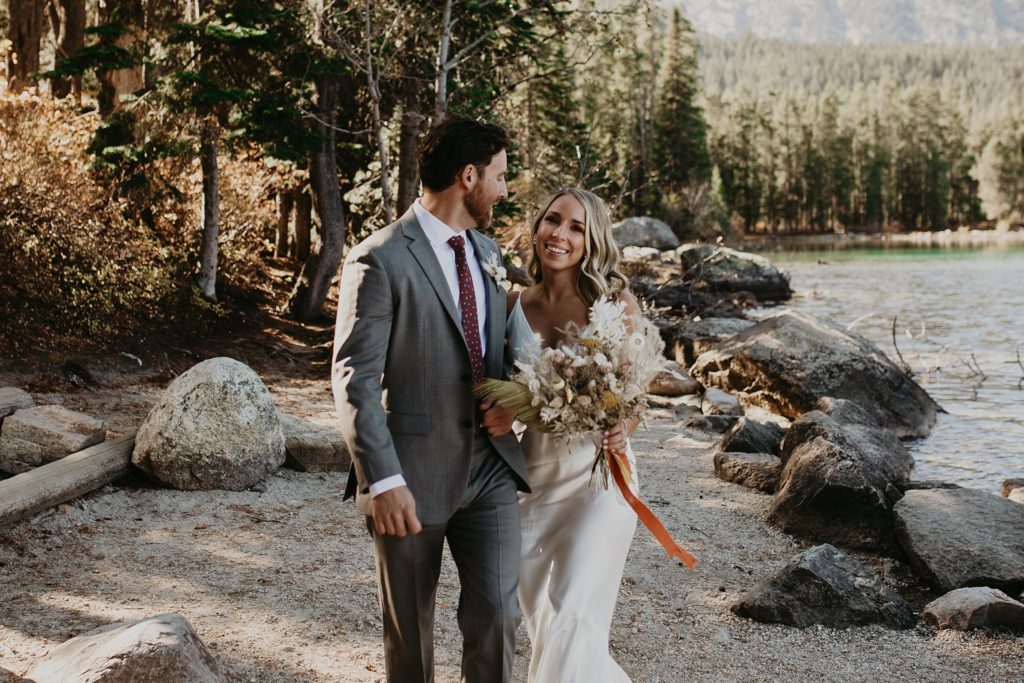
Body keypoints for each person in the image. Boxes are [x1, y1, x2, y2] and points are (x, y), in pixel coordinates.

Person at [332, 115, 529, 683]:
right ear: (469, 177)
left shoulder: (489, 253)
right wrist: (383, 480)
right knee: (411, 635)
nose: (505, 188)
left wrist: (520, 396)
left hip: (491, 467)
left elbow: (511, 348)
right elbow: (354, 378)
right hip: (411, 474)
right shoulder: (381, 257)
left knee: (498, 615)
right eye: (499, 175)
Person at [497, 187, 641, 682]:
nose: (560, 234)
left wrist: (624, 426)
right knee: (547, 621)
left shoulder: (614, 304)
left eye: (576, 227)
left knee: (574, 614)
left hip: (599, 479)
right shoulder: (511, 306)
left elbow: (635, 394)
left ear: (592, 239)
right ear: (537, 227)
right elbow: (489, 388)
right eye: (552, 220)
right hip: (532, 478)